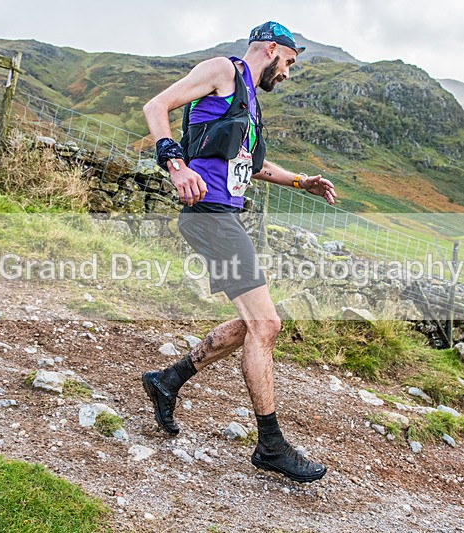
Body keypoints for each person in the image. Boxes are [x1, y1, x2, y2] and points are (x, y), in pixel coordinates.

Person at [141, 21, 337, 483]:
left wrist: (298, 182)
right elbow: (156, 106)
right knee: (266, 324)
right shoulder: (222, 71)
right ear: (271, 49)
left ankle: (167, 381)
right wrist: (175, 165)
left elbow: (250, 163)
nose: (287, 73)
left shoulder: (247, 101)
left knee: (254, 321)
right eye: (288, 62)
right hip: (208, 213)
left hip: (223, 216)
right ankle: (270, 445)